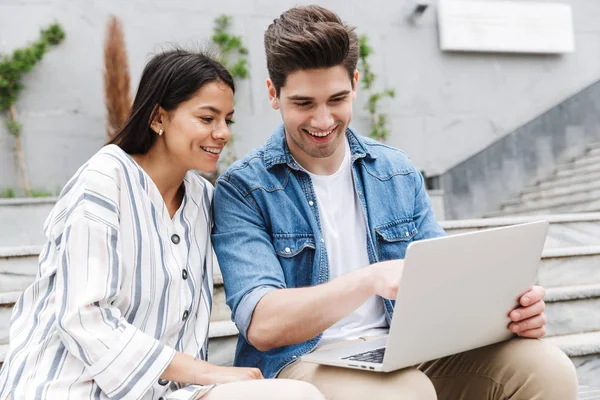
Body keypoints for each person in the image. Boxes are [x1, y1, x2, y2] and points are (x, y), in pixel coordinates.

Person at [211, 6, 579, 400]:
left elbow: (446, 278)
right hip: (305, 362)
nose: (322, 120)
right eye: (304, 103)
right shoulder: (243, 188)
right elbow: (264, 326)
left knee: (547, 369)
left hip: (405, 350)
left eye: (337, 99)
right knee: (404, 392)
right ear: (273, 93)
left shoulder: (395, 171)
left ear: (355, 83)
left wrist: (512, 312)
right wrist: (369, 279)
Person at [0, 49, 324, 400]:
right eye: (207, 118)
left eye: (227, 120)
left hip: (166, 392)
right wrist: (209, 372)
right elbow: (84, 317)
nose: (222, 133)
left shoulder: (201, 197)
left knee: (294, 394)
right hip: (67, 388)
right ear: (158, 117)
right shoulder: (105, 180)